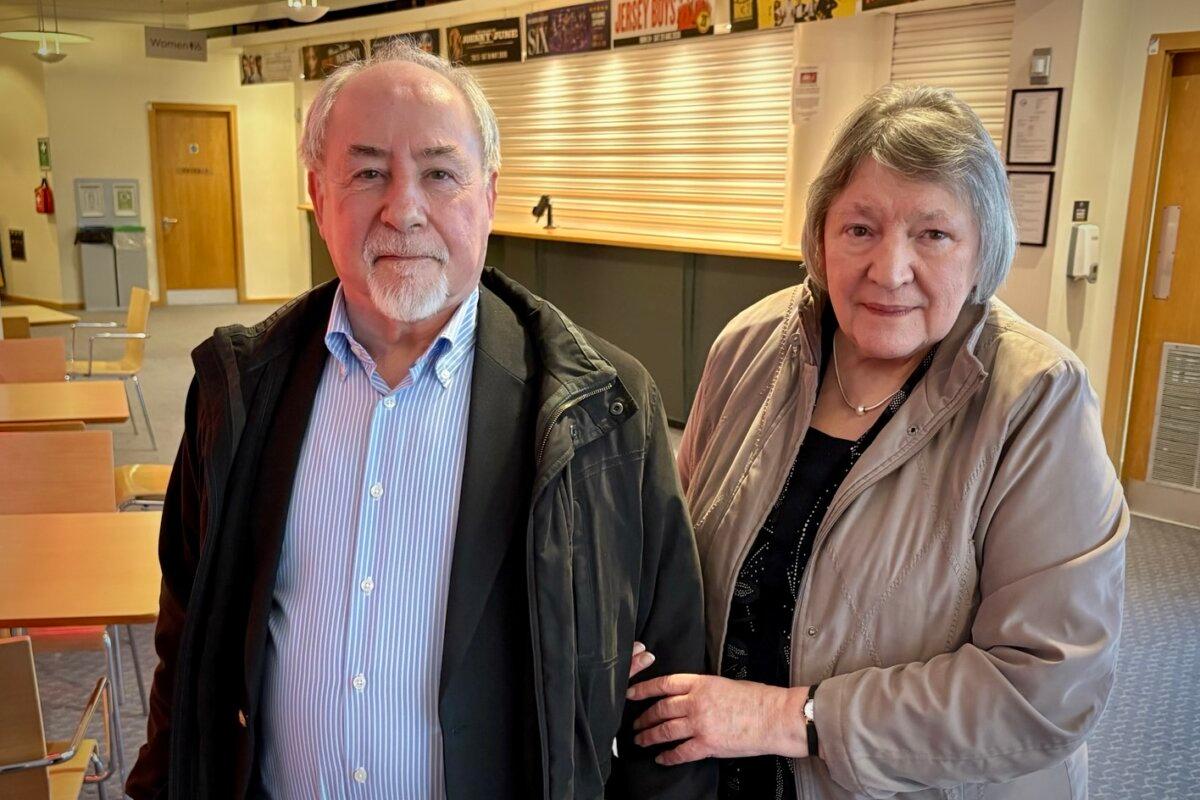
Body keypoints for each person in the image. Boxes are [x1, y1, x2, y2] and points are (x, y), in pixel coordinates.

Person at [125, 40, 714, 800]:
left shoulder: (603, 408)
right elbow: (187, 640)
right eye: (368, 172)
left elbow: (669, 699)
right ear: (319, 195)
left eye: (439, 173)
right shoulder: (237, 393)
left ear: (489, 196)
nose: (404, 209)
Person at [627, 84, 1127, 799]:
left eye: (933, 234)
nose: (889, 270)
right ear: (821, 236)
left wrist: (786, 718)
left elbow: (1044, 689)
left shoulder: (1039, 401)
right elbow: (672, 548)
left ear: (982, 249)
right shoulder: (749, 346)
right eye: (860, 229)